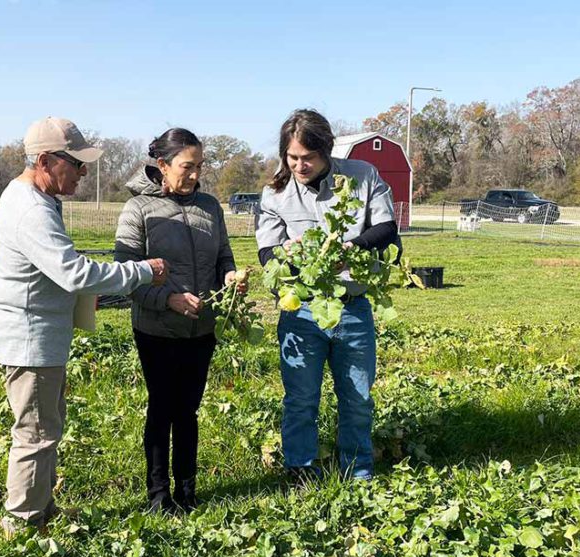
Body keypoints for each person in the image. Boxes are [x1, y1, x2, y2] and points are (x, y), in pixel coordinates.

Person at [0, 116, 168, 537]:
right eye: (77, 163)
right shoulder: (31, 208)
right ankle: (23, 525)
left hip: (39, 338)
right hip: (30, 342)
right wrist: (141, 272)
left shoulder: (37, 199)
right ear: (46, 161)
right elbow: (74, 274)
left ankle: (40, 509)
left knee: (45, 426)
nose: (84, 172)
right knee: (35, 432)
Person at [254, 109, 399, 482]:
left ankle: (357, 469)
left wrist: (351, 248)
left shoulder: (362, 176)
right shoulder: (274, 193)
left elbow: (386, 229)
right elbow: (267, 254)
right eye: (292, 157)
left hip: (352, 309)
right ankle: (301, 469)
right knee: (301, 400)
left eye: (308, 158)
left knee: (358, 397)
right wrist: (292, 256)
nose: (300, 166)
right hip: (301, 313)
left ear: (327, 152)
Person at [114, 128, 243, 513]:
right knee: (162, 408)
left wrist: (231, 277)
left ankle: (188, 493)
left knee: (188, 410)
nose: (194, 175)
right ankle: (158, 495)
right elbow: (125, 274)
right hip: (157, 329)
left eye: (200, 166)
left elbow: (223, 256)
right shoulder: (138, 209)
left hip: (202, 328)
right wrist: (167, 299)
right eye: (187, 166)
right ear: (163, 165)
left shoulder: (210, 206)